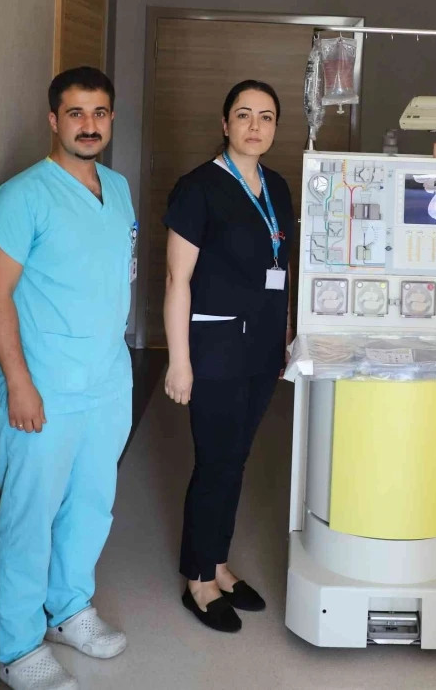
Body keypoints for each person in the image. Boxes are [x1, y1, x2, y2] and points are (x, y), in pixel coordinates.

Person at [0, 67, 136, 690]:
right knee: (28, 516)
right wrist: (18, 382)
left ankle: (68, 609)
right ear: (54, 120)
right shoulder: (22, 196)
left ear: (111, 119)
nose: (88, 125)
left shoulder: (118, 189)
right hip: (43, 385)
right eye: (76, 113)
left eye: (99, 113)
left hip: (107, 381)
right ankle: (17, 648)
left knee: (91, 506)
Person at [162, 80, 294, 633]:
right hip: (214, 347)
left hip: (261, 347)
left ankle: (217, 562)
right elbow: (178, 279)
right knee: (214, 461)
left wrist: (285, 337)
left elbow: (281, 268)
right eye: (243, 114)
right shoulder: (198, 188)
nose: (254, 126)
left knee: (235, 460)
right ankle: (198, 580)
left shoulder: (277, 187)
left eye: (266, 116)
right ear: (225, 124)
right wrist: (179, 361)